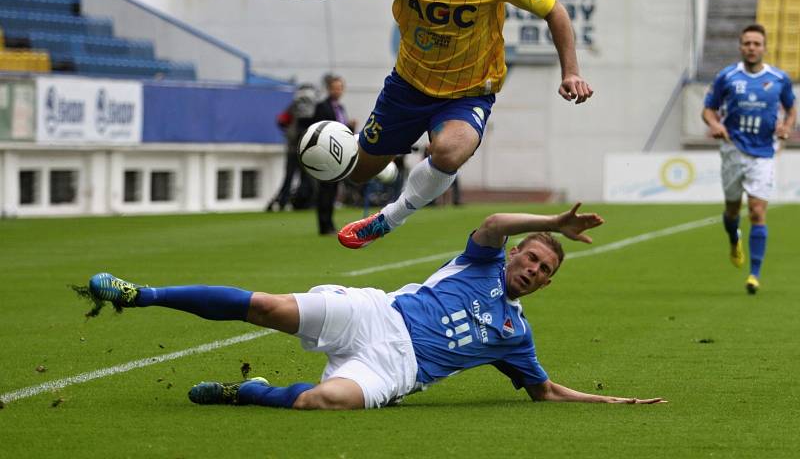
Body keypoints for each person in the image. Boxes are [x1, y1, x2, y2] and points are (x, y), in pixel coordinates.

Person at [226, 0, 593, 250]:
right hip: (408, 87)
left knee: (450, 151)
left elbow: (555, 11)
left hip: (468, 92)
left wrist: (570, 71)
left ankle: (390, 217)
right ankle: (390, 165)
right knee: (358, 173)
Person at [85, 203, 665, 409]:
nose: (534, 270)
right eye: (532, 258)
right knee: (265, 307)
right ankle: (142, 295)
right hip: (377, 314)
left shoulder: (516, 333)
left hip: (396, 369)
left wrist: (609, 398)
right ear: (517, 256)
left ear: (545, 284)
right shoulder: (483, 260)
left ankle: (250, 391)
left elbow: (545, 390)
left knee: (323, 401)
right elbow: (491, 223)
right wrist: (552, 221)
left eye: (545, 271)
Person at [701, 24, 796, 294]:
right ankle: (734, 237)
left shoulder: (779, 79)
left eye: (757, 43)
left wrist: (787, 127)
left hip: (764, 153)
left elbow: (791, 109)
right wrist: (715, 124)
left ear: (764, 48)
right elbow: (708, 110)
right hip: (732, 150)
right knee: (732, 212)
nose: (752, 48)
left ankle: (754, 274)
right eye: (747, 43)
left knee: (756, 211)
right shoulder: (727, 76)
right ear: (741, 47)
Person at [313, 75, 356, 235]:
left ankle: (330, 223)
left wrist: (349, 127)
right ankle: (323, 225)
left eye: (339, 88)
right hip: (326, 153)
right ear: (329, 89)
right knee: (325, 189)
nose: (337, 91)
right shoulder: (322, 107)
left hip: (339, 155)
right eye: (334, 88)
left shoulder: (341, 108)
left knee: (333, 190)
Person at [267, 83, 318, 212]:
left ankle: (283, 202)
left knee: (289, 176)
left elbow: (281, 121)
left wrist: (288, 133)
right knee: (308, 177)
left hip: (293, 146)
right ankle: (307, 202)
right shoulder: (315, 107)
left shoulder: (293, 106)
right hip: (308, 147)